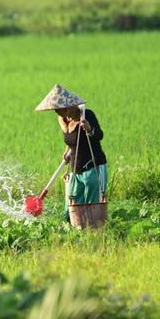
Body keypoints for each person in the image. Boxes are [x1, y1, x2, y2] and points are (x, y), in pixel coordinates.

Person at [35, 84, 107, 221]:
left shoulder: (86, 115)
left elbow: (99, 135)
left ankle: (92, 235)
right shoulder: (62, 119)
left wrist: (89, 128)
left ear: (69, 106)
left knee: (91, 206)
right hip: (75, 168)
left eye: (59, 109)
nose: (57, 112)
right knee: (71, 206)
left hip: (93, 167)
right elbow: (71, 140)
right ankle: (72, 234)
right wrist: (67, 150)